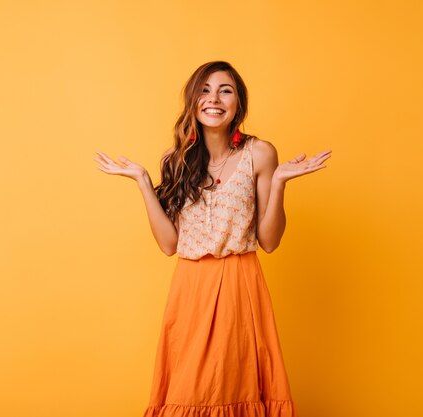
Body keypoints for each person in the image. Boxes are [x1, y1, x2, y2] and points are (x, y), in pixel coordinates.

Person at [93, 61, 331, 417]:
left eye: (225, 90)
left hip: (239, 284)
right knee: (189, 390)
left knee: (237, 384)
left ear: (239, 103)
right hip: (190, 289)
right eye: (204, 90)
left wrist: (279, 182)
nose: (213, 99)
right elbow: (168, 244)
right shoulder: (176, 161)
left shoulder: (260, 153)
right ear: (193, 101)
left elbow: (269, 241)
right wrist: (143, 181)